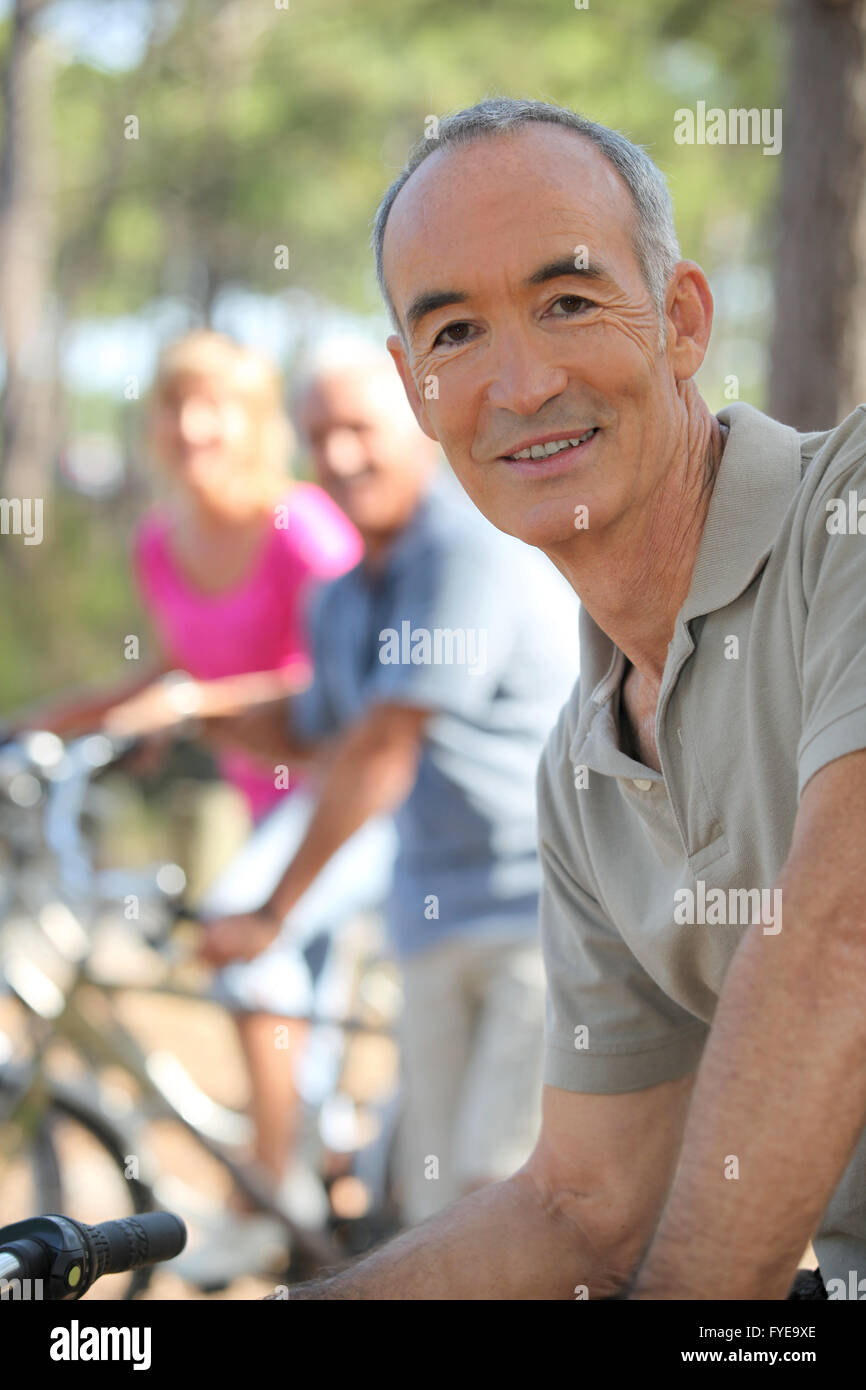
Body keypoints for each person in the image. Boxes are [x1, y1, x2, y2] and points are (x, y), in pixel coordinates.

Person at [267, 97, 866, 1301]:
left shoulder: (846, 516)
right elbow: (579, 1204)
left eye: (569, 301)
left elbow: (837, 934)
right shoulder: (581, 768)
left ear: (682, 320)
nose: (520, 381)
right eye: (453, 334)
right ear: (417, 389)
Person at [14, 330, 378, 1281]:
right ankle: (317, 1190)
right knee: (286, 996)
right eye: (174, 404)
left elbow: (348, 678)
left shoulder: (301, 528)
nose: (190, 424)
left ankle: (271, 1194)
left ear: (255, 422)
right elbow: (179, 667)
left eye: (214, 403)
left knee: (253, 959)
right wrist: (46, 720)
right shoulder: (158, 544)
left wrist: (196, 707)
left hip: (348, 790)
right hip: (262, 799)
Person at [200, 338, 582, 1232]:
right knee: (435, 1207)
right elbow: (312, 727)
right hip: (430, 921)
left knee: (502, 1194)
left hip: (546, 916)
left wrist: (270, 913)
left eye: (360, 430)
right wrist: (194, 716)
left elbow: (379, 746)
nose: (339, 456)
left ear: (417, 426)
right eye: (319, 436)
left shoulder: (468, 549)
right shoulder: (338, 597)